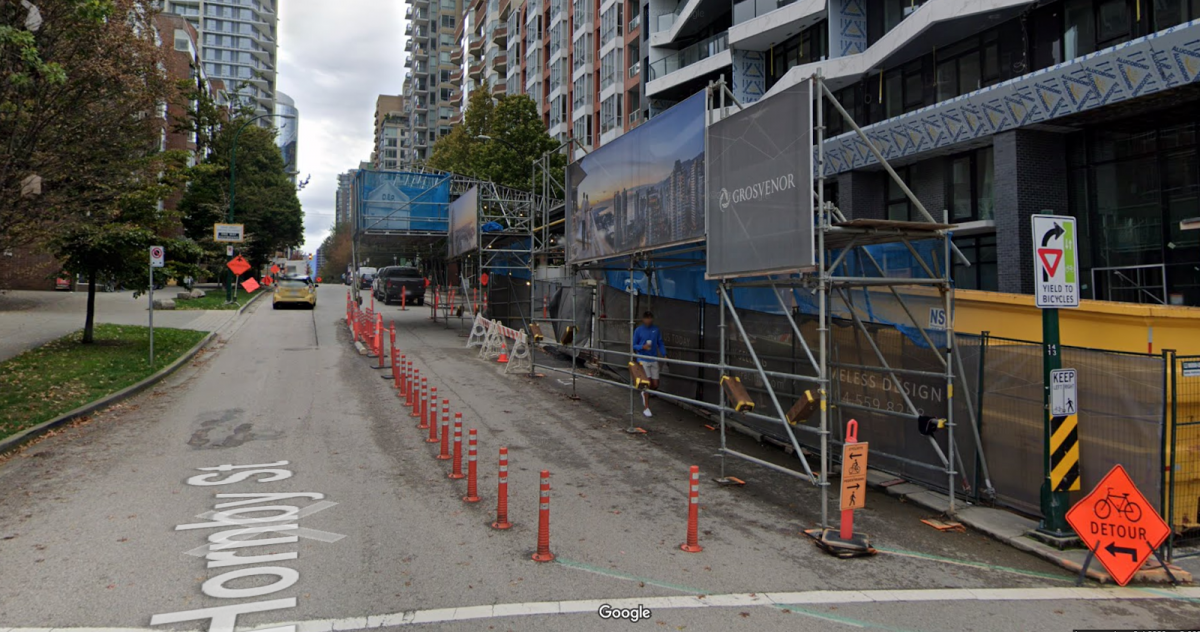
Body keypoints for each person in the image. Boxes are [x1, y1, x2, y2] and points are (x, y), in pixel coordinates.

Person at [631, 310, 666, 417]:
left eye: (650, 317)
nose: (648, 320)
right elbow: (633, 345)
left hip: (653, 358)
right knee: (648, 382)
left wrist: (664, 354)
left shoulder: (656, 330)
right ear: (643, 319)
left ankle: (645, 393)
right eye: (646, 318)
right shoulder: (638, 330)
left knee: (655, 384)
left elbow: (660, 343)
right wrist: (642, 347)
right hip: (643, 358)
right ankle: (646, 407)